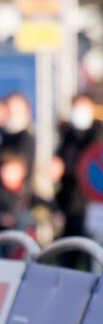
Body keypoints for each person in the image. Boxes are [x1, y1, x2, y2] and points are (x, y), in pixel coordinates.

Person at [50, 94, 101, 262]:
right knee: (68, 254)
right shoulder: (69, 133)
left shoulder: (98, 133)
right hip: (68, 201)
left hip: (90, 203)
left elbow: (91, 166)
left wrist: (66, 169)